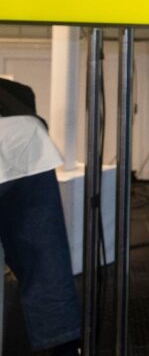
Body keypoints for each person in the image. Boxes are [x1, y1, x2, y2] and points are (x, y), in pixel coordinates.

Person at [0, 78, 82, 355]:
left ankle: (62, 339)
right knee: (43, 259)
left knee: (42, 255)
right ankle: (63, 341)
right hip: (18, 135)